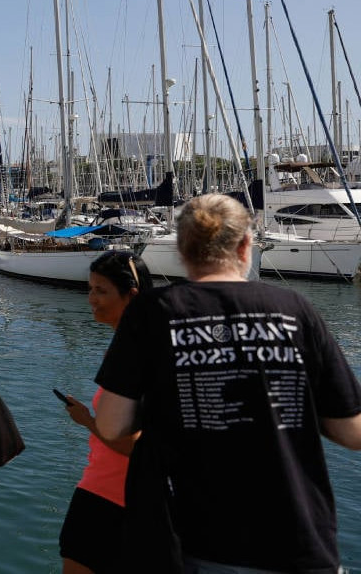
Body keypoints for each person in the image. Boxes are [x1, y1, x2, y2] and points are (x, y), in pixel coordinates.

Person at [94, 194, 361, 573]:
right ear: (245, 246)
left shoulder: (153, 313)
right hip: (297, 541)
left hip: (195, 543)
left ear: (181, 251)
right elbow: (352, 431)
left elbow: (111, 424)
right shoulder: (295, 310)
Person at [57, 251, 152, 574]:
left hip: (107, 495)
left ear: (131, 296)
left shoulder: (134, 355)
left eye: (101, 291)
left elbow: (133, 445)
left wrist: (88, 422)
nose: (91, 299)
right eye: (90, 289)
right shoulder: (147, 346)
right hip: (136, 499)